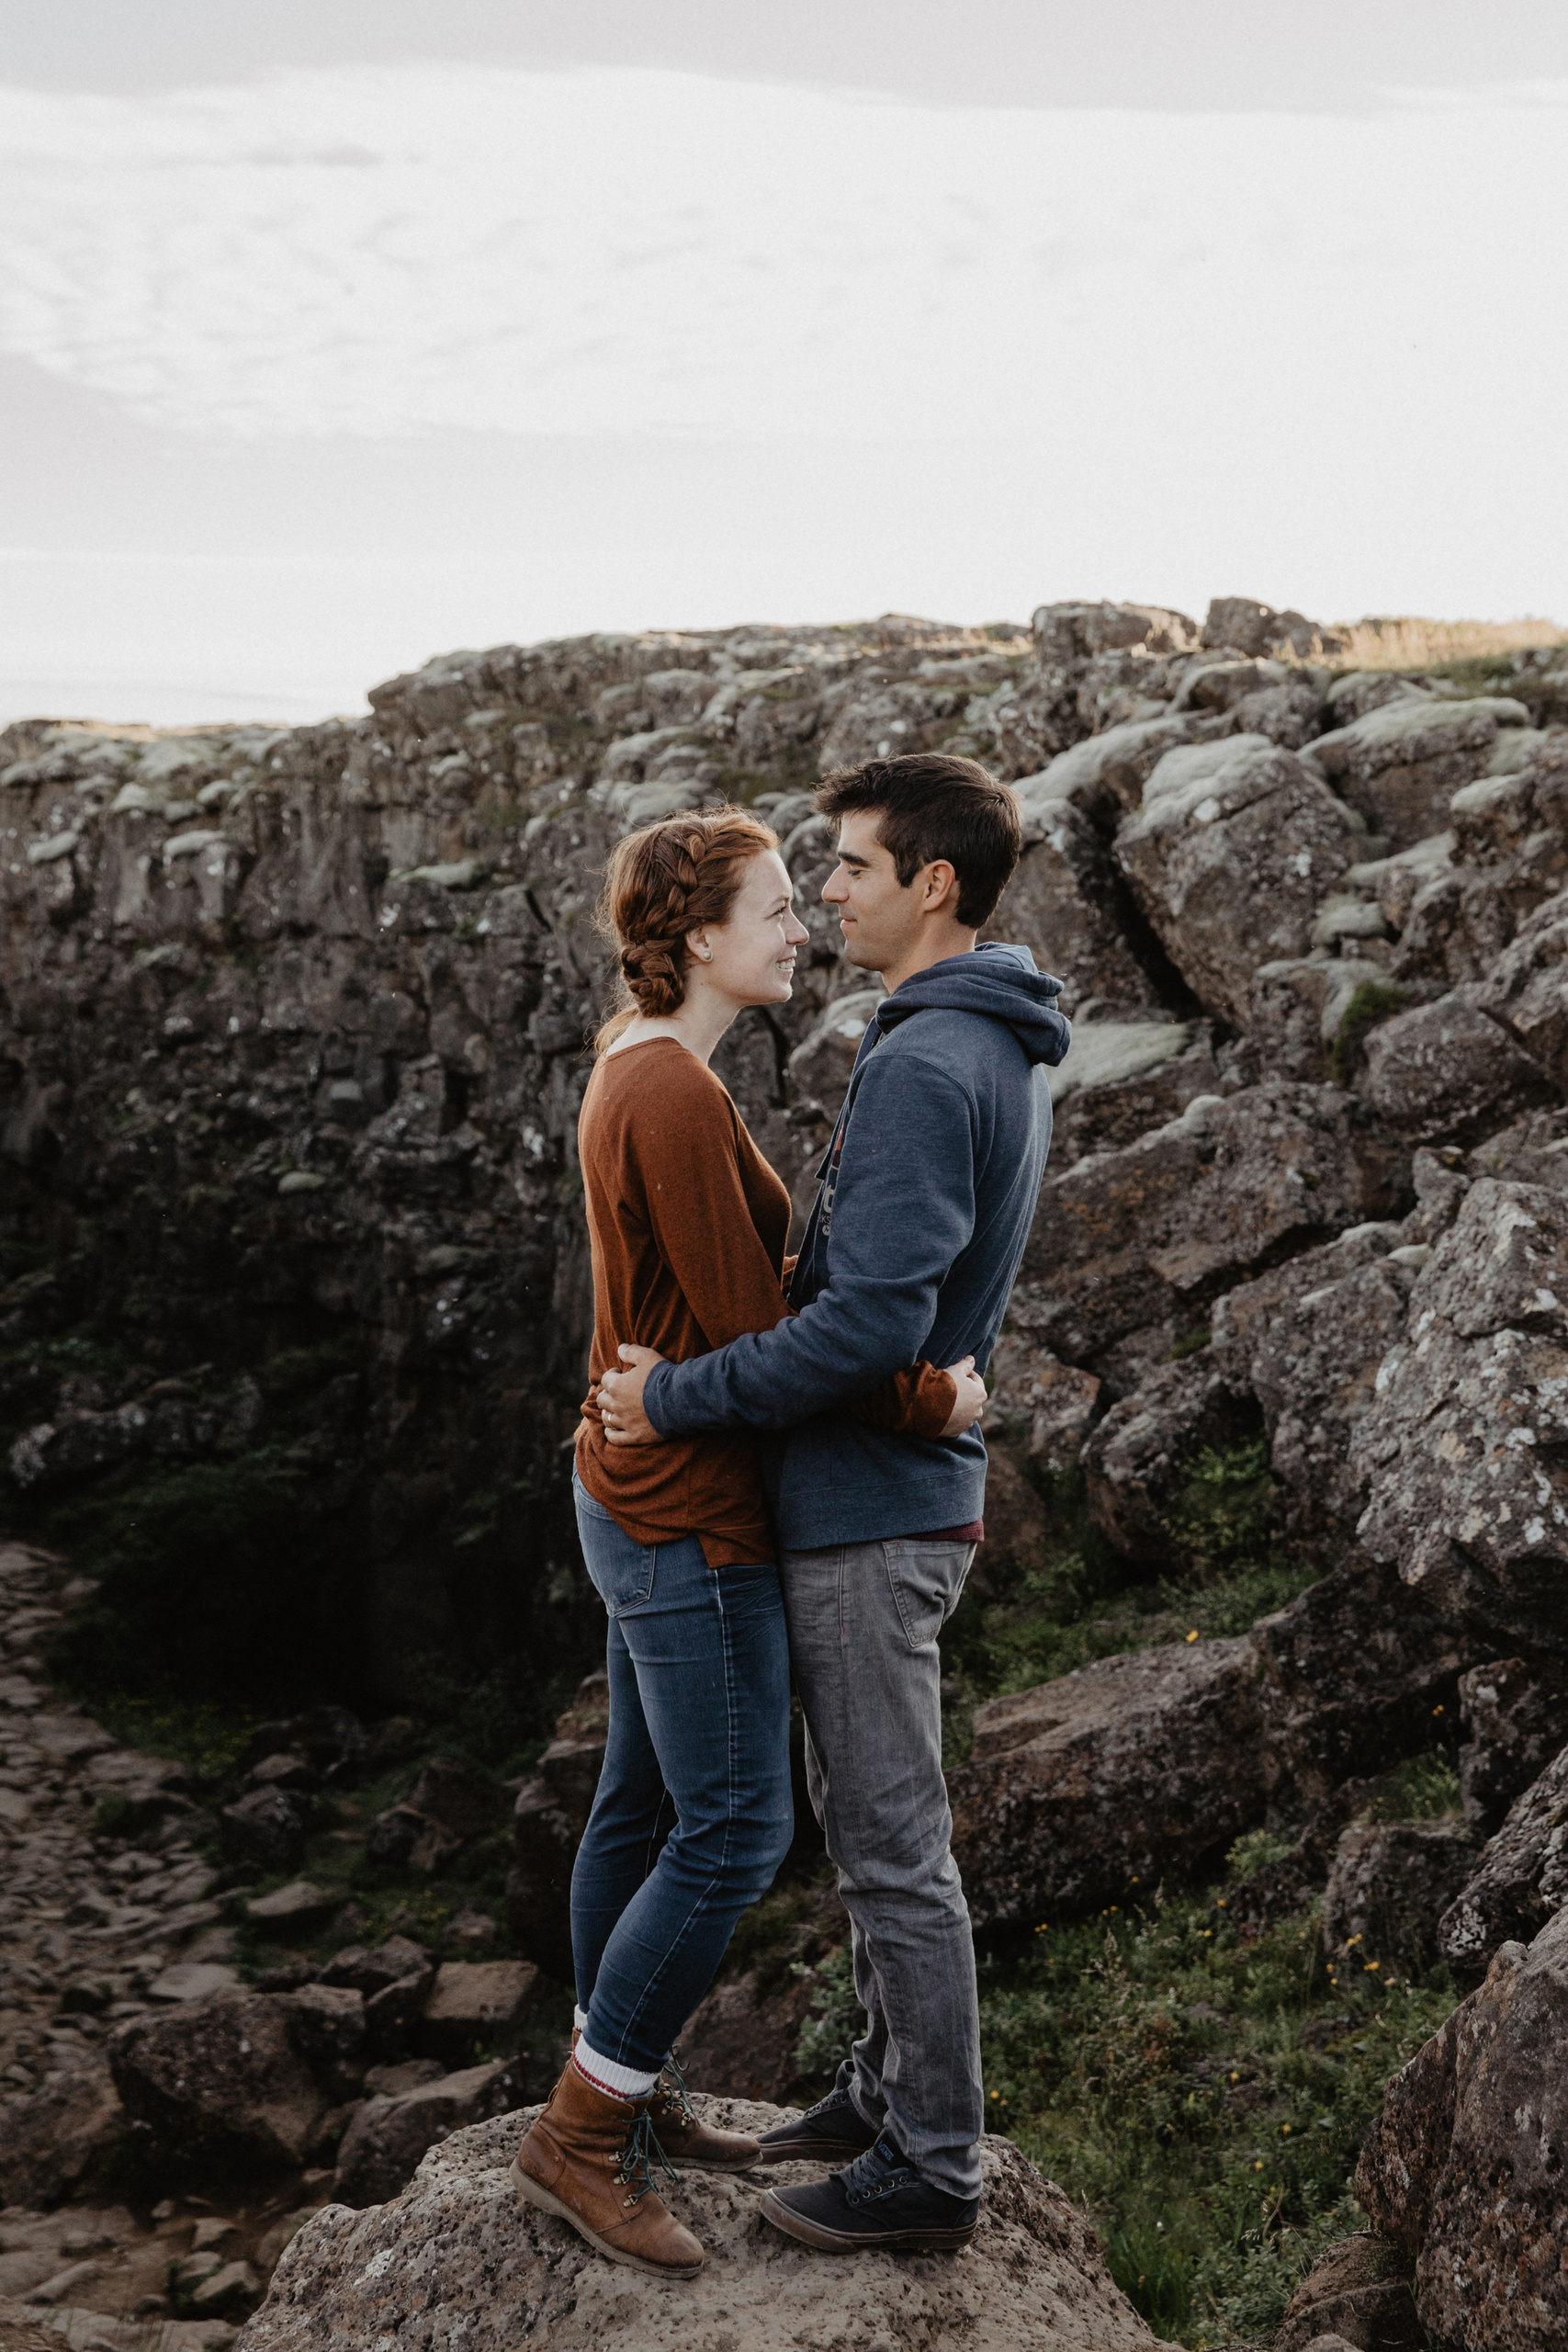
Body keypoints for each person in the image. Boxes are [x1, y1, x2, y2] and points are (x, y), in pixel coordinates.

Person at [598, 752, 1070, 2256]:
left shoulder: (930, 1061)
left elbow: (867, 1326)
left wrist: (677, 1398)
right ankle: (881, 2090)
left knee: (887, 1847)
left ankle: (930, 2163)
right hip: (880, 1493)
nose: (829, 896)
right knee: (857, 1830)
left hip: (875, 1511)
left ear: (933, 882)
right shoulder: (973, 1034)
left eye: (852, 867)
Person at [511, 805, 987, 2282]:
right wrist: (933, 1397)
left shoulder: (644, 1061)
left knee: (641, 1806)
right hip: (687, 1514)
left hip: (630, 1489)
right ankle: (585, 2133)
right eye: (776, 906)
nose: (804, 924)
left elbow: (743, 1301)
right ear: (701, 937)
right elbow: (756, 1334)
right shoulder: (666, 1091)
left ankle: (619, 2086)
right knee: (734, 1832)